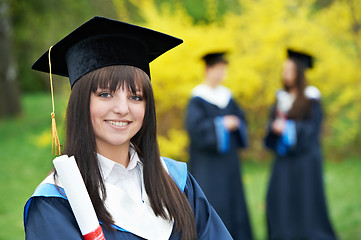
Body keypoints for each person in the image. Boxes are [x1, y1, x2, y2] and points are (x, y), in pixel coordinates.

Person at [23, 16, 233, 240]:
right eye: (105, 94)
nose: (123, 109)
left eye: (136, 97)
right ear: (80, 103)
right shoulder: (56, 203)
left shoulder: (176, 181)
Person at [264, 49, 337, 240]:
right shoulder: (281, 98)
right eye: (284, 70)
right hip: (284, 160)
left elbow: (312, 130)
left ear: (299, 73)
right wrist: (274, 128)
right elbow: (270, 126)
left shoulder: (311, 98)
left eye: (289, 70)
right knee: (277, 198)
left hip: (305, 161)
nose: (285, 74)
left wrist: (287, 128)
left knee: (305, 202)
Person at [185, 52, 253, 240]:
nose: (221, 74)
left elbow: (241, 120)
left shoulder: (227, 96)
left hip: (229, 162)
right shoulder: (197, 98)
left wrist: (236, 122)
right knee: (213, 200)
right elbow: (195, 130)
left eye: (224, 70)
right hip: (208, 165)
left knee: (234, 201)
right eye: (218, 70)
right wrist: (222, 125)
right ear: (208, 70)